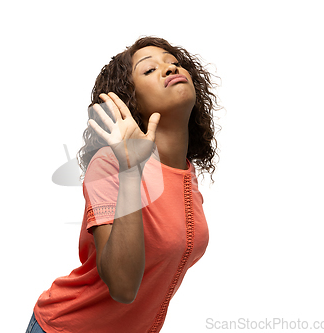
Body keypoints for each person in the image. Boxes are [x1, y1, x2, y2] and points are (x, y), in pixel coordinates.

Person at [26, 36, 220, 333]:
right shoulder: (109, 166)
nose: (169, 69)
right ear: (132, 101)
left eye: (174, 63)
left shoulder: (186, 175)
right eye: (148, 70)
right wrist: (131, 171)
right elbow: (123, 287)